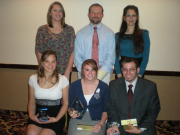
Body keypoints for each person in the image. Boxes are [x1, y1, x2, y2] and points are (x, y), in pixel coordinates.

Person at [107, 58, 160, 135]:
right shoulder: (113, 85)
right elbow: (111, 107)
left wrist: (140, 129)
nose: (128, 73)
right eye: (125, 69)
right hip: (120, 124)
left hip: (142, 124)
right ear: (121, 70)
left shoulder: (150, 86)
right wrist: (115, 124)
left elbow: (154, 110)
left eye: (132, 69)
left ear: (138, 70)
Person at [27, 50, 69, 135]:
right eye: (47, 61)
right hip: (38, 115)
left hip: (55, 117)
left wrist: (56, 119)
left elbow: (65, 104)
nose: (50, 65)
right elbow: (31, 102)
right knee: (31, 133)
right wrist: (32, 116)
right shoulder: (33, 79)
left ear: (56, 63)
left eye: (53, 61)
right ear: (42, 63)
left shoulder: (63, 80)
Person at [74, 3, 115, 85]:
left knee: (102, 98)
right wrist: (86, 72)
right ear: (88, 14)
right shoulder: (80, 33)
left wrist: (99, 75)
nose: (96, 15)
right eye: (93, 12)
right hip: (84, 75)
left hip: (104, 75)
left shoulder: (109, 33)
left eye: (98, 13)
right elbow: (77, 56)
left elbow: (110, 57)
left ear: (102, 15)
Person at [68, 59, 109, 135]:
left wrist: (101, 124)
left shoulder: (104, 87)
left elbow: (105, 110)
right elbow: (69, 106)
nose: (90, 73)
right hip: (78, 119)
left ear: (96, 71)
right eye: (87, 70)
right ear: (82, 70)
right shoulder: (74, 85)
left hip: (97, 120)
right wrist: (72, 112)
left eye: (93, 69)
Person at [35, 1, 75, 81]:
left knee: (64, 94)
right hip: (47, 71)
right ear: (50, 13)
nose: (58, 13)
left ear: (63, 13)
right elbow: (39, 51)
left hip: (65, 72)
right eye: (55, 10)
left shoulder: (69, 30)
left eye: (60, 10)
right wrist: (43, 69)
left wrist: (67, 72)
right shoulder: (42, 30)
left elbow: (73, 52)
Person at [114, 5, 150, 78]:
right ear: (124, 18)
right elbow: (115, 57)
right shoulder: (118, 36)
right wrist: (119, 74)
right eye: (128, 15)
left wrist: (140, 74)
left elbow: (146, 57)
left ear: (137, 17)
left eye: (133, 15)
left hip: (138, 71)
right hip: (122, 71)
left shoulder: (144, 34)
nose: (131, 18)